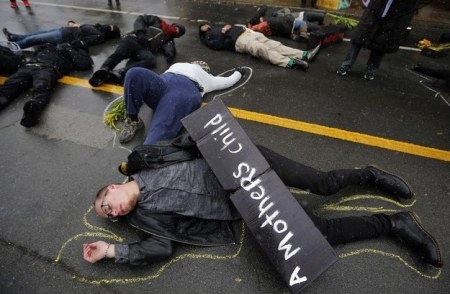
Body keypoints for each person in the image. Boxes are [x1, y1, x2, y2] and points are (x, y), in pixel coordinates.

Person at [83, 144, 442, 269]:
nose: (113, 213)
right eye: (109, 216)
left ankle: (370, 175)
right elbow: (160, 247)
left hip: (247, 165)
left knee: (321, 183)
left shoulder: (145, 158)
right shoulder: (148, 219)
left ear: (112, 187)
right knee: (319, 235)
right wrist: (112, 250)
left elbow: (190, 136)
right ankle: (395, 223)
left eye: (107, 206)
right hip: (248, 206)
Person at [117, 61, 244, 144]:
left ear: (206, 70)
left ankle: (144, 158)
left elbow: (227, 81)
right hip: (163, 83)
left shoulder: (209, 79)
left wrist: (238, 73)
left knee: (161, 126)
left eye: (204, 65)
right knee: (135, 74)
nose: (201, 64)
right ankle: (133, 119)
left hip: (183, 91)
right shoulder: (177, 65)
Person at [0, 41, 93, 127]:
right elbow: (36, 52)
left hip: (47, 68)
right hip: (29, 66)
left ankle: (32, 110)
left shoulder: (72, 53)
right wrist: (47, 46)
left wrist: (69, 48)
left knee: (41, 88)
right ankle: (31, 107)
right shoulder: (50, 47)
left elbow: (84, 64)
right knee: (7, 88)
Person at [89, 15, 185, 87]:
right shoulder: (158, 21)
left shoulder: (168, 40)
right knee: (118, 54)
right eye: (177, 29)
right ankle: (103, 70)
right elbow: (141, 19)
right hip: (133, 39)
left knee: (151, 60)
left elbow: (170, 49)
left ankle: (120, 72)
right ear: (174, 25)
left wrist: (170, 55)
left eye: (178, 33)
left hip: (143, 49)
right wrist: (140, 33)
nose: (176, 31)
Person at [336, 0, 420, 80]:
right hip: (374, 13)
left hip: (393, 19)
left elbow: (408, 13)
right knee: (358, 40)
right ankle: (346, 65)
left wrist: (399, 28)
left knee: (380, 46)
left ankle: (371, 70)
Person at [198, 23, 320, 71]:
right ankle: (291, 63)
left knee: (276, 45)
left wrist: (239, 27)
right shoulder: (206, 37)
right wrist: (224, 32)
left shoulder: (215, 28)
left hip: (248, 33)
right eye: (203, 26)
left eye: (206, 24)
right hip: (239, 41)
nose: (206, 25)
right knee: (263, 50)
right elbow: (217, 45)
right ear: (201, 30)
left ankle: (304, 55)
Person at [2, 21, 121, 49]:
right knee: (35, 34)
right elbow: (81, 29)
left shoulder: (99, 36)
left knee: (34, 39)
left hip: (63, 36)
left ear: (111, 33)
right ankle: (14, 38)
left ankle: (9, 49)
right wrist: (73, 23)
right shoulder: (97, 28)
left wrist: (76, 28)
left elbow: (81, 41)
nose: (108, 25)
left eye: (111, 27)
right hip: (63, 30)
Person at [248, 6, 325, 42]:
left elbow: (286, 9)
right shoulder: (266, 24)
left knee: (321, 16)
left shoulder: (273, 16)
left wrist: (279, 14)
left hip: (301, 16)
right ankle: (308, 33)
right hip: (294, 23)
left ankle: (320, 26)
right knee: (318, 29)